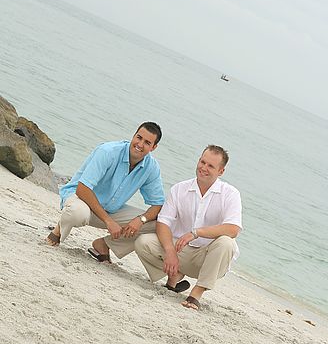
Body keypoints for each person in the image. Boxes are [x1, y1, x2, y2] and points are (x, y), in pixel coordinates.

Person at [134, 145, 242, 310]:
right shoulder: (180, 189)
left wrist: (196, 233)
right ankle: (173, 277)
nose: (203, 168)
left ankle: (196, 294)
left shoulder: (230, 194)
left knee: (227, 242)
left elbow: (233, 229)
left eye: (210, 166)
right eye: (202, 162)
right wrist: (170, 252)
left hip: (209, 259)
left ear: (221, 171)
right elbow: (163, 221)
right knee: (143, 242)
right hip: (181, 252)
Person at [46, 122, 165, 263]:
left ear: (153, 147)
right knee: (78, 213)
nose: (140, 144)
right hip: (81, 199)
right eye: (138, 137)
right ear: (133, 136)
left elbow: (158, 205)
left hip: (111, 210)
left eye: (147, 142)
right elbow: (82, 189)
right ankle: (58, 231)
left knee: (157, 223)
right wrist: (108, 221)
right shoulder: (108, 152)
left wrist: (141, 220)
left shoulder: (151, 168)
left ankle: (103, 245)